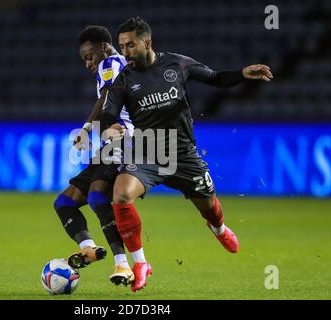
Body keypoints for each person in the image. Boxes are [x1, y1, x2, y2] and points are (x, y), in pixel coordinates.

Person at [100, 17, 274, 292]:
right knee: (120, 195)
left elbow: (215, 78)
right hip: (149, 151)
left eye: (130, 45)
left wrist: (242, 73)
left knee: (209, 206)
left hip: (184, 155)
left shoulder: (177, 64)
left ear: (147, 42)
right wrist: (109, 130)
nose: (125, 53)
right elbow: (107, 115)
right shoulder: (124, 80)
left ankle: (219, 229)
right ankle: (140, 263)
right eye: (122, 46)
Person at [53, 25, 135, 285]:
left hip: (125, 142)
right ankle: (89, 247)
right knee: (65, 202)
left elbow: (108, 96)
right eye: (83, 59)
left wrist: (87, 128)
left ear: (103, 47)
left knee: (98, 196)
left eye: (90, 56)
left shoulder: (110, 63)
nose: (88, 63)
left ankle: (123, 264)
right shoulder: (114, 65)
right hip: (110, 147)